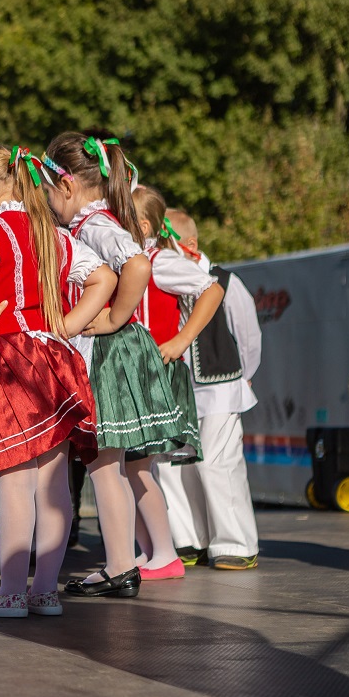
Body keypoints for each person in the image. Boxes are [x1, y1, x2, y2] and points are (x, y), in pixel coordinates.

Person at [0, 144, 110, 617]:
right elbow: (104, 279)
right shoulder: (52, 233)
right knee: (54, 483)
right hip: (54, 359)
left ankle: (10, 590)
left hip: (8, 360)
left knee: (15, 480)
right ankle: (44, 591)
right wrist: (67, 325)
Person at [41, 132, 192, 599]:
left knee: (105, 463)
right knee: (112, 464)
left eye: (48, 191)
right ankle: (123, 561)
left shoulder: (93, 224)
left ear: (67, 185)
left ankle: (121, 564)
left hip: (109, 350)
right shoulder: (98, 220)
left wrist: (114, 317)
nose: (48, 201)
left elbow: (138, 265)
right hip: (114, 348)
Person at [155, 208, 262, 571]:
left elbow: (248, 335)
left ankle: (235, 542)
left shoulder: (226, 282)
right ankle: (188, 539)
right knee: (172, 465)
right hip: (175, 390)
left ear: (190, 243)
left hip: (219, 388)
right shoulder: (161, 281)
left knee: (217, 463)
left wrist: (243, 374)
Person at [126, 186, 224, 581]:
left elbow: (211, 289)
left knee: (135, 465)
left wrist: (182, 339)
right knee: (125, 467)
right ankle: (151, 551)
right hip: (131, 374)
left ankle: (165, 554)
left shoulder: (160, 261)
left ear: (142, 225)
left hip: (153, 374)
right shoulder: (128, 260)